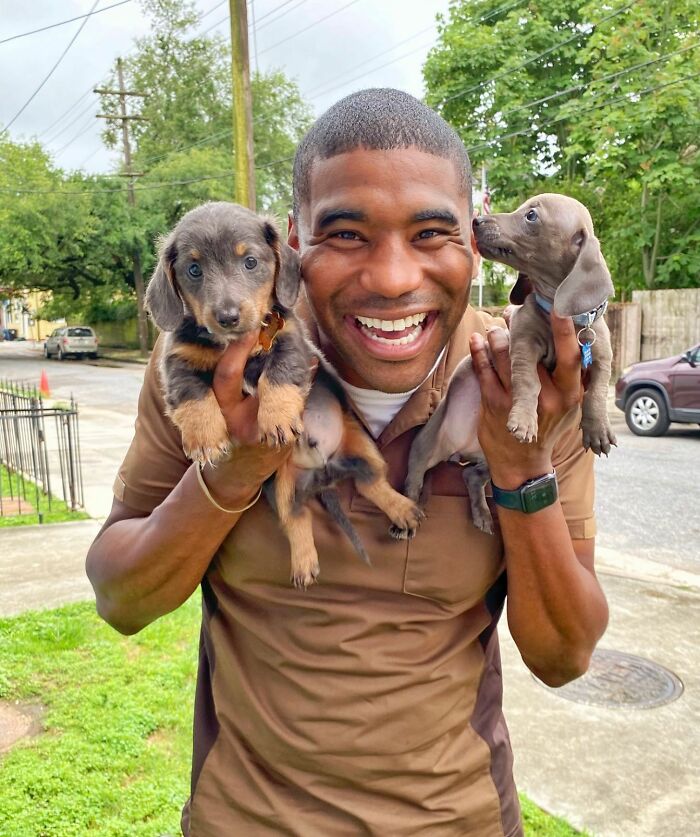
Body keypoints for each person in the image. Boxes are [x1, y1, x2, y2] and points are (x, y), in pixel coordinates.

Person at [86, 88, 608, 836]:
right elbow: (120, 598)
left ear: (473, 239)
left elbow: (564, 655)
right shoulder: (210, 373)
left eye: (433, 232)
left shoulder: (520, 380)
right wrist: (231, 472)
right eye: (348, 234)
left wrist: (520, 470)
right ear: (292, 244)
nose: (393, 277)